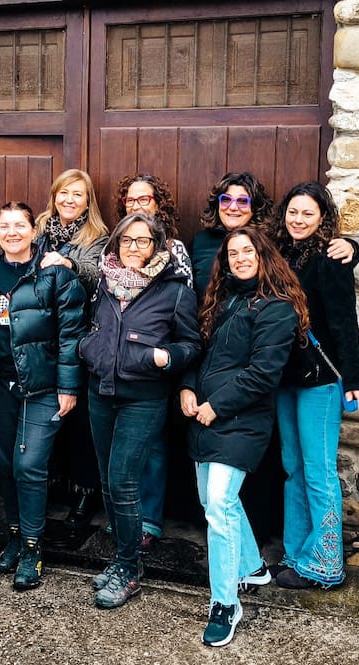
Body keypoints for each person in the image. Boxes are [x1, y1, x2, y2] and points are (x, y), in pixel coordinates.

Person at [180, 226, 310, 647]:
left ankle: (225, 603)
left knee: (218, 505)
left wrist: (216, 405)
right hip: (203, 415)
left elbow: (263, 374)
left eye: (247, 250)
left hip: (239, 421)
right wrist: (186, 386)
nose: (239, 258)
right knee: (212, 501)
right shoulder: (221, 301)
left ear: (263, 254)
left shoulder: (278, 308)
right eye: (232, 252)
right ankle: (253, 566)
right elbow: (196, 351)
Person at [0, 202, 88, 590]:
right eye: (5, 226)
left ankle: (34, 547)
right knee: (4, 464)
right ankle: (16, 536)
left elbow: (72, 335)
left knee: (29, 464)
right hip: (0, 385)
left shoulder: (54, 275)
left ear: (35, 231)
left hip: (43, 385)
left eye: (20, 225)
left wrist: (68, 386)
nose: (12, 232)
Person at [79, 212, 201, 609]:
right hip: (101, 391)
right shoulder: (102, 283)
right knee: (105, 479)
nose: (133, 248)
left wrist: (167, 357)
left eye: (143, 241)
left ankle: (129, 568)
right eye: (127, 240)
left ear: (157, 246)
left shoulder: (175, 290)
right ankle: (120, 560)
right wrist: (87, 349)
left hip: (143, 397)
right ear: (116, 244)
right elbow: (87, 327)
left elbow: (193, 344)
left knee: (123, 480)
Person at [271, 182, 359, 590]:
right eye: (293, 212)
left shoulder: (331, 259)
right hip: (284, 379)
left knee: (318, 471)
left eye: (308, 214)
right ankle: (297, 554)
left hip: (321, 381)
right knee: (293, 469)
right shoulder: (277, 255)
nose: (299, 220)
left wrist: (357, 380)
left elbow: (345, 323)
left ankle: (327, 563)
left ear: (323, 219)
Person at [113, 173, 194, 553]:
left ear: (158, 204)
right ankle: (124, 520)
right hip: (115, 367)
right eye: (131, 200)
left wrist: (168, 358)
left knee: (155, 447)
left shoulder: (173, 249)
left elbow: (183, 305)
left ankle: (149, 521)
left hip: (154, 364)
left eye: (145, 199)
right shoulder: (114, 250)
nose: (138, 205)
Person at [31, 169, 111, 536]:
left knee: (78, 421)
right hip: (40, 335)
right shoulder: (39, 229)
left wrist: (70, 264)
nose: (69, 200)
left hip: (77, 335)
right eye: (64, 193)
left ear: (87, 200)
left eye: (77, 194)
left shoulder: (98, 236)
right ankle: (50, 485)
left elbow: (98, 274)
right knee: (46, 415)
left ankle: (84, 492)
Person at [190, 172, 356, 298]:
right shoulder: (200, 242)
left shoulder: (272, 241)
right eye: (226, 200)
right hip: (205, 332)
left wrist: (352, 247)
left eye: (242, 201)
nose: (233, 207)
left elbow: (309, 256)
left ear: (254, 207)